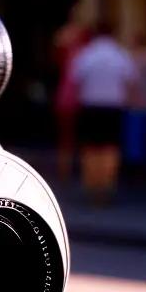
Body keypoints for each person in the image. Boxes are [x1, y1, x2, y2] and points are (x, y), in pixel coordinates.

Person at [70, 21, 138, 203]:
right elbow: (131, 82)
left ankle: (91, 187)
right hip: (113, 107)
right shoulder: (120, 55)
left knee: (90, 148)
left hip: (90, 106)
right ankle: (107, 187)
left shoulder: (86, 55)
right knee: (111, 148)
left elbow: (76, 81)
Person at [51, 19, 89, 181]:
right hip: (74, 96)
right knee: (69, 136)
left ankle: (71, 169)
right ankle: (67, 169)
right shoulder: (82, 53)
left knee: (71, 136)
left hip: (74, 95)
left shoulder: (84, 53)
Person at [125, 32, 146, 178]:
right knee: (140, 135)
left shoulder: (131, 57)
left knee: (135, 135)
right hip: (143, 101)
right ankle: (138, 166)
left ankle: (135, 166)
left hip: (135, 101)